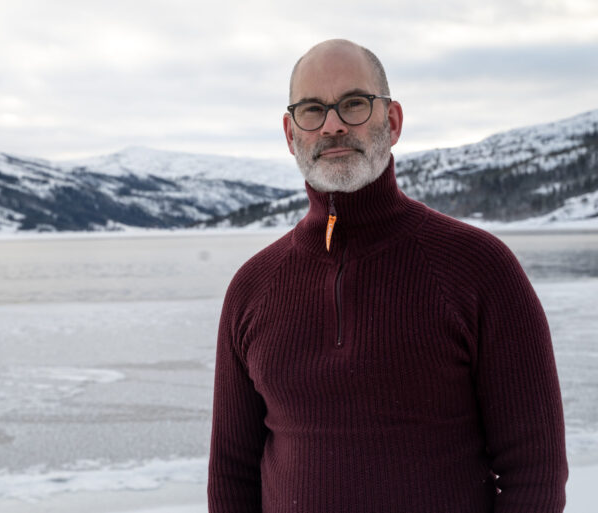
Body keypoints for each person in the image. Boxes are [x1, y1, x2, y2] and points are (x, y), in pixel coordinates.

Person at [207, 39, 568, 512]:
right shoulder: (253, 288)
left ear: (392, 121)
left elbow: (536, 472)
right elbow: (231, 475)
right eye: (312, 110)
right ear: (290, 134)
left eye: (354, 103)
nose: (333, 125)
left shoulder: (480, 268)